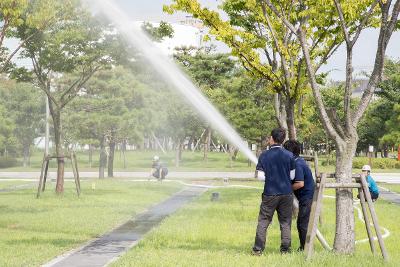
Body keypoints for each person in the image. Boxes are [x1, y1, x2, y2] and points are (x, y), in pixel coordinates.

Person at [252, 128, 296, 255]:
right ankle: (285, 250)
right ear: (283, 140)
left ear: (271, 138)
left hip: (270, 193)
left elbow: (260, 177)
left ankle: (258, 249)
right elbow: (292, 177)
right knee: (285, 222)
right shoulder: (289, 155)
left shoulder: (264, 155)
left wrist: (271, 178)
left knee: (264, 221)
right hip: (286, 194)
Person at [283, 140, 315, 251]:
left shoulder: (297, 164)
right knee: (302, 223)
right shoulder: (297, 161)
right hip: (305, 196)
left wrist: (286, 188)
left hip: (307, 197)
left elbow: (300, 183)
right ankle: (304, 247)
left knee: (302, 223)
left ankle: (305, 248)